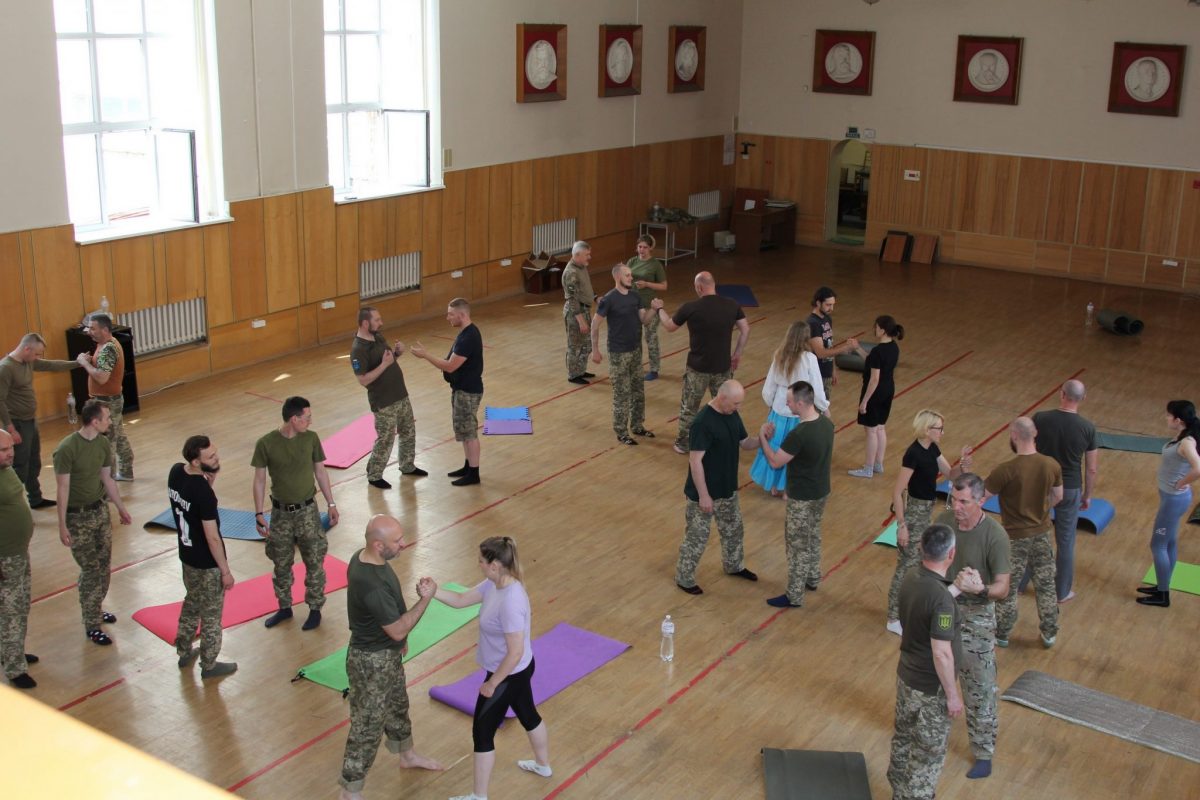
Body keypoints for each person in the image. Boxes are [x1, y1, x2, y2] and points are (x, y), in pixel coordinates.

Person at [438, 537, 552, 800]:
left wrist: (492, 683)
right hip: (517, 670)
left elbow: (515, 652)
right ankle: (543, 765)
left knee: (482, 731)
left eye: (481, 560)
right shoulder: (494, 584)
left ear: (495, 565)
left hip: (509, 673)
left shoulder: (511, 600)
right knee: (527, 713)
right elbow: (460, 599)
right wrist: (433, 591)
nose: (478, 564)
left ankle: (479, 796)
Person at [338, 515, 443, 800]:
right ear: (378, 544)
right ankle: (349, 791)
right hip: (371, 662)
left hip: (386, 653)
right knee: (367, 725)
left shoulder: (365, 558)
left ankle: (407, 755)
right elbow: (396, 628)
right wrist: (426, 598)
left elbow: (390, 619)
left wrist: (399, 642)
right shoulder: (370, 583)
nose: (403, 544)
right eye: (397, 541)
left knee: (397, 705)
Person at [934, 473, 1011, 780]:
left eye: (964, 502)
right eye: (954, 499)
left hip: (977, 611)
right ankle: (933, 736)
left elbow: (1003, 588)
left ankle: (983, 752)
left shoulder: (995, 536)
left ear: (981, 500)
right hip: (946, 606)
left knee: (979, 685)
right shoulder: (944, 523)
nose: (957, 507)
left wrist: (979, 589)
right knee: (937, 675)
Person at [886, 524, 966, 800]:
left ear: (922, 548)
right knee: (926, 754)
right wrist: (952, 696)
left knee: (903, 738)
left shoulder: (911, 576)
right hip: (930, 689)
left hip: (907, 676)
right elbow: (941, 653)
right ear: (951, 554)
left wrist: (955, 590)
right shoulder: (942, 600)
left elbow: (929, 603)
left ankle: (898, 791)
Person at [252, 396, 340, 631]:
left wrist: (331, 504)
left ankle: (315, 609)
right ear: (293, 419)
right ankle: (284, 607)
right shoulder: (266, 443)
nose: (310, 422)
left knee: (314, 561)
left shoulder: (311, 439)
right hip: (280, 514)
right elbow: (259, 479)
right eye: (306, 418)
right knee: (281, 563)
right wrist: (259, 513)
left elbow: (320, 472)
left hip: (307, 511)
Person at [52, 399, 132, 646]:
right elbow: (62, 488)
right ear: (95, 422)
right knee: (90, 569)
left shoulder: (103, 444)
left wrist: (120, 508)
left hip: (100, 512)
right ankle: (92, 623)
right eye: (106, 418)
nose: (110, 422)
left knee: (104, 566)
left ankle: (95, 608)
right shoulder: (66, 449)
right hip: (77, 517)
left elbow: (107, 479)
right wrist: (62, 525)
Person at [886, 411, 972, 635]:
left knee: (918, 565)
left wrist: (962, 464)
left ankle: (908, 611)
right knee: (905, 567)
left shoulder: (932, 448)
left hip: (926, 513)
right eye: (939, 428)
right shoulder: (913, 454)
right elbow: (898, 492)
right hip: (914, 514)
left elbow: (950, 474)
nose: (942, 432)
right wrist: (902, 525)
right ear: (927, 429)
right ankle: (893, 617)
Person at [674, 380, 761, 594]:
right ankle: (684, 578)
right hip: (703, 493)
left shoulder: (731, 413)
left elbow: (745, 443)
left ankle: (734, 566)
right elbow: (695, 461)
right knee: (697, 537)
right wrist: (704, 495)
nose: (738, 407)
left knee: (734, 530)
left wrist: (762, 439)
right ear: (722, 398)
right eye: (736, 403)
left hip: (727, 489)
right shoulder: (703, 423)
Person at [652, 271, 750, 455]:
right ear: (713, 285)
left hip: (697, 369)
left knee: (689, 408)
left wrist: (659, 309)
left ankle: (683, 444)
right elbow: (745, 329)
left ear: (699, 287)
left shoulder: (690, 307)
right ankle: (730, 440)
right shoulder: (732, 304)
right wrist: (737, 354)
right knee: (728, 407)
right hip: (723, 368)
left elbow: (669, 326)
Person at [985, 417, 1063, 648]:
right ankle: (1049, 633)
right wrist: (1042, 511)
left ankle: (1002, 633)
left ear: (1014, 436)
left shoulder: (1005, 470)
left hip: (1014, 538)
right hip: (1042, 534)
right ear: (1035, 433)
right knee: (1045, 585)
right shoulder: (1051, 465)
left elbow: (981, 497)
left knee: (1007, 586)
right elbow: (1059, 496)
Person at [757, 381, 834, 608]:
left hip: (802, 497)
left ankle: (794, 595)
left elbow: (775, 461)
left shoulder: (799, 434)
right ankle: (812, 577)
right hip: (821, 491)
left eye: (789, 401)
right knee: (813, 535)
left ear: (800, 403)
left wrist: (763, 438)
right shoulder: (826, 424)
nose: (787, 404)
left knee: (797, 545)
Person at [169, 435, 237, 679]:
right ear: (196, 462)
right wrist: (225, 571)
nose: (217, 459)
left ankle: (184, 650)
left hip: (187, 556)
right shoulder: (203, 493)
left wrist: (209, 484)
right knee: (211, 616)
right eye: (210, 457)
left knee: (191, 603)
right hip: (207, 564)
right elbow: (212, 537)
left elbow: (192, 502)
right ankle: (209, 664)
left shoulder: (176, 472)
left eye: (215, 453)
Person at [1030, 380, 1098, 603]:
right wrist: (1087, 495)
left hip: (1040, 484)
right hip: (1070, 488)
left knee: (1032, 533)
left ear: (1061, 394)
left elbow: (1027, 449)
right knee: (1066, 541)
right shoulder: (1088, 428)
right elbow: (1091, 468)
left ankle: (1019, 584)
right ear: (1083, 398)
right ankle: (1062, 592)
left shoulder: (1040, 418)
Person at [0, 333, 80, 508]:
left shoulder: (28, 361)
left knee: (33, 461)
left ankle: (35, 499)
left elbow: (51, 365)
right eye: (36, 354)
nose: (38, 358)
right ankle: (13, 505)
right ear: (26, 349)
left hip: (30, 421)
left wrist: (77, 363)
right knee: (20, 465)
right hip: (17, 423)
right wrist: (11, 429)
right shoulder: (5, 368)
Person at [351, 306, 427, 490]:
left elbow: (387, 361)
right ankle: (374, 474)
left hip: (400, 394)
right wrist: (385, 364)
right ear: (365, 323)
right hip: (383, 401)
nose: (381, 323)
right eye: (377, 320)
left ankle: (407, 465)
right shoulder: (358, 350)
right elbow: (363, 379)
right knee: (386, 438)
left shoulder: (377, 336)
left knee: (408, 431)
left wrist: (396, 354)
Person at [750, 323, 829, 497]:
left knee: (775, 446)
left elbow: (769, 387)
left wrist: (772, 404)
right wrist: (824, 407)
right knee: (794, 451)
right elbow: (816, 387)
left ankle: (774, 485)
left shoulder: (779, 355)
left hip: (778, 410)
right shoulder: (809, 358)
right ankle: (788, 489)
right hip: (798, 412)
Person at [411, 298, 484, 485]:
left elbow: (450, 366)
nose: (447, 317)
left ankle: (473, 473)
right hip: (462, 389)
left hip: (467, 392)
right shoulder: (465, 333)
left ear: (462, 315)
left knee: (469, 433)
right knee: (464, 431)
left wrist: (426, 355)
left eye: (451, 314)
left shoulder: (468, 337)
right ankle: (468, 466)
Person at [1136, 400, 1200, 607]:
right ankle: (1163, 584)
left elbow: (1198, 468)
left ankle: (1163, 595)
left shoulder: (1186, 442)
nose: (1166, 418)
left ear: (1178, 420)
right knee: (1169, 542)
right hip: (1171, 497)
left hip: (1174, 500)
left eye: (1168, 415)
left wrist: (1181, 483)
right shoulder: (1183, 435)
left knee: (1157, 544)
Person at [590, 263, 656, 445]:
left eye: (631, 275)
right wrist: (595, 350)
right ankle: (621, 432)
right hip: (618, 354)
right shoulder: (609, 299)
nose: (631, 278)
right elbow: (595, 324)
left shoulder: (635, 296)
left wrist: (653, 309)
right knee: (622, 394)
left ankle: (637, 426)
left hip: (635, 351)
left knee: (638, 391)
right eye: (627, 275)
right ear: (618, 277)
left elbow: (644, 320)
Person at [74, 314, 134, 481]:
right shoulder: (105, 345)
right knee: (118, 435)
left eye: (93, 328)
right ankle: (126, 471)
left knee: (108, 442)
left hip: (107, 402)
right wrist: (90, 361)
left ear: (105, 330)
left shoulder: (108, 349)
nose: (89, 332)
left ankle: (109, 481)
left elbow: (101, 378)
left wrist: (84, 363)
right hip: (109, 399)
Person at [0, 429, 38, 688]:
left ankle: (14, 652)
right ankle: (14, 669)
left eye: (10, 447)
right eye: (3, 450)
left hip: (19, 551)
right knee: (10, 612)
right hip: (5, 558)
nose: (10, 453)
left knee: (22, 605)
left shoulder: (6, 470)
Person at [848, 315, 903, 478]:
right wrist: (857, 348)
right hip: (888, 389)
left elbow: (874, 379)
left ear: (883, 330)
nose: (874, 329)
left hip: (875, 392)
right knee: (880, 427)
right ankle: (878, 464)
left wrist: (864, 401)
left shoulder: (878, 351)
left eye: (876, 327)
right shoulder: (893, 347)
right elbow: (872, 362)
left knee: (871, 431)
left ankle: (868, 468)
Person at [627, 234, 668, 381]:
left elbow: (664, 286)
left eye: (645, 247)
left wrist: (647, 284)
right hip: (634, 306)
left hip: (650, 306)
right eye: (640, 247)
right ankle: (636, 365)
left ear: (650, 248)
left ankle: (654, 369)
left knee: (651, 338)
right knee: (634, 338)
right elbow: (625, 278)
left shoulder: (655, 264)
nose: (642, 250)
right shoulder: (632, 261)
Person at [805, 287, 859, 399]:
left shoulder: (827, 319)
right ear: (818, 303)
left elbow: (829, 345)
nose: (831, 308)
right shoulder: (813, 323)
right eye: (828, 305)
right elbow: (820, 353)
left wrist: (832, 369)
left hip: (826, 372)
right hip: (817, 374)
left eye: (833, 305)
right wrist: (845, 348)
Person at [561, 242, 597, 385]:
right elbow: (572, 299)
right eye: (587, 254)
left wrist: (595, 297)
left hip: (584, 309)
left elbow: (585, 287)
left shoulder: (581, 267)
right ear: (577, 255)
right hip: (575, 313)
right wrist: (581, 321)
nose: (590, 257)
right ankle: (573, 375)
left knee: (587, 344)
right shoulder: (571, 273)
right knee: (575, 345)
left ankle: (580, 370)